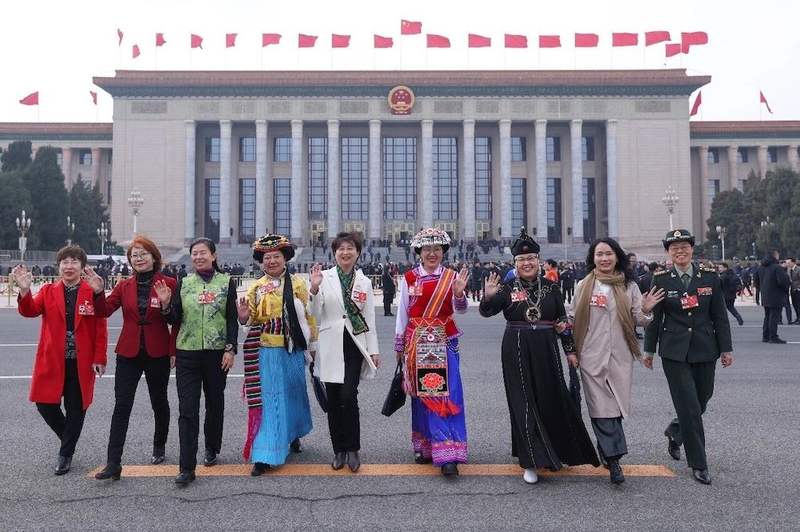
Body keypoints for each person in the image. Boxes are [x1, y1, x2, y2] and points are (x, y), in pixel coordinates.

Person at [479, 228, 600, 485]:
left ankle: (554, 451)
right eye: (522, 260)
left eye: (531, 259)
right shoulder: (507, 288)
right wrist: (488, 297)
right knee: (523, 400)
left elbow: (561, 321)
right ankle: (531, 460)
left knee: (549, 398)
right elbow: (487, 312)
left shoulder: (552, 288)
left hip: (546, 347)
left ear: (539, 261)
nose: (527, 263)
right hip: (517, 347)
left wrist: (569, 351)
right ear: (515, 264)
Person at [643, 229, 734, 485]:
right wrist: (648, 350)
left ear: (692, 249)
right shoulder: (660, 279)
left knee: (702, 399)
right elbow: (655, 317)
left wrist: (726, 349)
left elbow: (720, 316)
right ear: (668, 253)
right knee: (689, 406)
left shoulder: (709, 277)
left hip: (706, 347)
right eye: (674, 248)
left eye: (684, 247)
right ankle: (699, 463)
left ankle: (675, 430)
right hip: (674, 351)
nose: (679, 251)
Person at [571, 238, 664, 484]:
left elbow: (640, 320)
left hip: (620, 355)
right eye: (599, 254)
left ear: (617, 256)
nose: (604, 259)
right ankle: (614, 461)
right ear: (592, 258)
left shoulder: (628, 286)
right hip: (590, 354)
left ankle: (607, 449)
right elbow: (572, 316)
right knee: (601, 407)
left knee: (616, 405)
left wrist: (646, 309)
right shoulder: (583, 285)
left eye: (608, 254)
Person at [12, 246, 107, 475]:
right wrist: (25, 291)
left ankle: (65, 454)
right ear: (59, 266)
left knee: (76, 408)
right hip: (53, 359)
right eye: (65, 261)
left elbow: (100, 326)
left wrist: (99, 357)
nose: (69, 265)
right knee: (44, 404)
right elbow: (30, 311)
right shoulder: (47, 290)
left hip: (81, 361)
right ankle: (69, 438)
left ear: (82, 267)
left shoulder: (90, 290)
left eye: (74, 261)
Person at [94, 237, 177, 481]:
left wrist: (165, 306)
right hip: (129, 351)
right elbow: (103, 311)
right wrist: (99, 292)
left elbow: (176, 320)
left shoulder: (169, 283)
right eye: (134, 255)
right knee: (121, 406)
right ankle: (113, 462)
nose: (138, 259)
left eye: (143, 254)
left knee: (159, 401)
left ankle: (159, 445)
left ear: (154, 257)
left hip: (157, 351)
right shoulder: (124, 286)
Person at [159, 238, 239, 486]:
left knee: (215, 403)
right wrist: (165, 305)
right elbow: (175, 318)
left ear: (213, 256)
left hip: (216, 354)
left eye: (203, 253)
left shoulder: (226, 282)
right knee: (187, 409)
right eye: (194, 253)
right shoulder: (185, 282)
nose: (198, 257)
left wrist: (230, 349)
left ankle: (212, 447)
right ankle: (186, 466)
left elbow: (231, 319)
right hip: (188, 353)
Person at [237, 234, 316, 476]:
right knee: (270, 401)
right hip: (267, 349)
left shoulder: (299, 285)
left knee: (294, 394)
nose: (271, 261)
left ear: (285, 259)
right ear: (261, 262)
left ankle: (292, 434)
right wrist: (242, 314)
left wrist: (312, 348)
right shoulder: (256, 288)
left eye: (276, 257)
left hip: (292, 349)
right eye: (267, 258)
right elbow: (247, 320)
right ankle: (266, 453)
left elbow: (309, 317)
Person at [394, 227, 470, 476]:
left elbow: (461, 310)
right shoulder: (409, 278)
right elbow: (403, 313)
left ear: (443, 252)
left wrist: (459, 294)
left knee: (446, 395)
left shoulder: (451, 277)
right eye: (427, 249)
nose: (432, 253)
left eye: (437, 249)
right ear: (419, 252)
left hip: (444, 339)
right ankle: (424, 445)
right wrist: (399, 346)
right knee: (423, 396)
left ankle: (448, 450)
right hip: (419, 342)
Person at [309, 232, 380, 472]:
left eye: (350, 248)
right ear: (335, 252)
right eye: (341, 249)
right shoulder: (324, 278)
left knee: (349, 397)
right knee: (333, 399)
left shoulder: (364, 282)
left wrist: (374, 350)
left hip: (354, 344)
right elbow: (315, 315)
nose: (346, 252)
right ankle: (338, 450)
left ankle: (353, 449)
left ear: (358, 252)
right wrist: (315, 290)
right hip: (330, 342)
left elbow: (369, 317)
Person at [758, 250, 790, 344]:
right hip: (776, 295)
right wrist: (786, 288)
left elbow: (756, 280)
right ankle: (773, 336)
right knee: (774, 317)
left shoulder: (761, 267)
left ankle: (765, 336)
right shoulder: (777, 267)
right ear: (775, 256)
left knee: (767, 316)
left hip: (765, 295)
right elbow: (782, 281)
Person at [718, 262, 744, 326]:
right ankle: (738, 317)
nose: (719, 269)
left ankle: (723, 323)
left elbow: (718, 286)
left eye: (721, 267)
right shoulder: (733, 274)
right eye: (719, 267)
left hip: (724, 296)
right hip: (732, 295)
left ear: (725, 268)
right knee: (731, 308)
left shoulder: (723, 276)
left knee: (721, 310)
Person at [788, 258, 800, 324]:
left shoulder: (798, 269)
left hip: (797, 290)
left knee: (798, 305)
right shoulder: (789, 270)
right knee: (794, 304)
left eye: (789, 263)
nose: (788, 264)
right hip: (792, 289)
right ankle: (797, 317)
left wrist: (798, 288)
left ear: (793, 262)